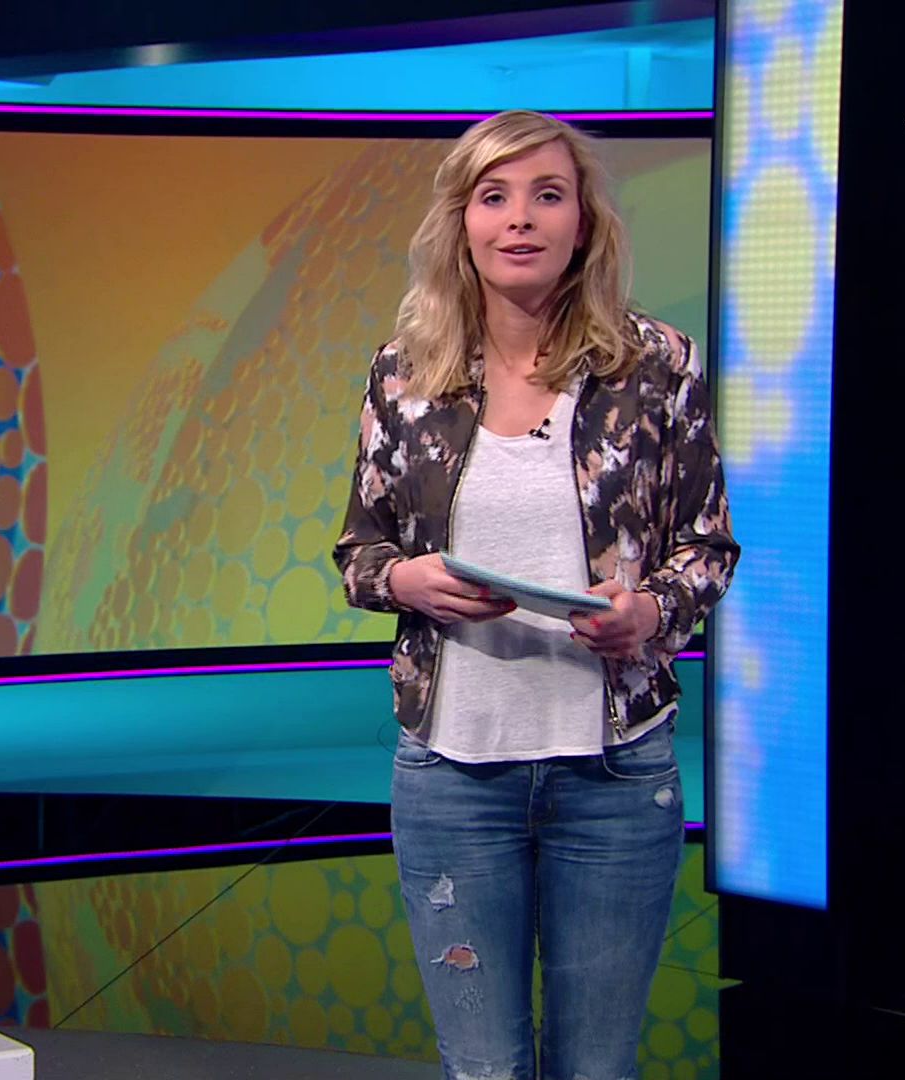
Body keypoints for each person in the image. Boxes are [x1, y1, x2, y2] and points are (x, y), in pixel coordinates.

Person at [333, 109, 738, 1079]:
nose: (520, 218)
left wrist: (651, 613)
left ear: (583, 221)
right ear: (463, 221)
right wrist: (407, 580)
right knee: (486, 1068)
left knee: (595, 1067)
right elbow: (359, 549)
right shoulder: (406, 374)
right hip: (452, 777)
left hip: (614, 776)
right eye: (495, 196)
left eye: (547, 195)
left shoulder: (657, 366)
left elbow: (707, 545)